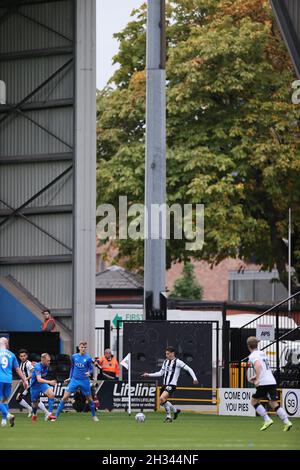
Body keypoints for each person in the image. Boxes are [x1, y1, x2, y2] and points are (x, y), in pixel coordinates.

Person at [247, 336, 293, 431]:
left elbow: (258, 365)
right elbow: (263, 367)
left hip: (264, 382)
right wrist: (256, 376)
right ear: (257, 344)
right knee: (273, 403)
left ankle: (267, 419)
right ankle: (287, 422)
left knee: (254, 401)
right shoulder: (262, 353)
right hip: (271, 380)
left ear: (248, 346)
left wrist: (258, 379)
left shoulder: (252, 356)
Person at [141, 346, 199, 422]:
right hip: (165, 385)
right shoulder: (165, 362)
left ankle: (168, 417)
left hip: (172, 385)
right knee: (162, 401)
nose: (166, 355)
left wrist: (195, 379)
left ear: (172, 353)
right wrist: (148, 374)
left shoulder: (178, 362)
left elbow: (189, 369)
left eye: (168, 354)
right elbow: (160, 373)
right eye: (166, 354)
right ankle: (175, 410)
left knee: (162, 398)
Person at [55, 341, 99, 422]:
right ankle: (56, 416)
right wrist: (70, 378)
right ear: (79, 348)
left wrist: (89, 372)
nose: (83, 349)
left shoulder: (88, 358)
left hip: (84, 381)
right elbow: (72, 368)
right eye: (82, 347)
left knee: (89, 399)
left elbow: (91, 369)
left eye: (85, 347)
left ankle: (94, 416)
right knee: (64, 397)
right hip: (74, 380)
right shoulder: (74, 356)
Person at [0, 337, 28, 427]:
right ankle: (4, 421)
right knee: (4, 400)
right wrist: (24, 380)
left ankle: (8, 415)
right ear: (6, 344)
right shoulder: (11, 354)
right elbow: (17, 369)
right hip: (8, 380)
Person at [16, 349, 51, 420]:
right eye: (21, 356)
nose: (23, 357)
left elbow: (33, 373)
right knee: (21, 398)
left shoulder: (28, 364)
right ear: (19, 357)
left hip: (30, 384)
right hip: (25, 383)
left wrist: (25, 379)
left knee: (35, 400)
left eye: (24, 356)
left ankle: (45, 412)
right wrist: (22, 380)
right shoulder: (21, 364)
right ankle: (32, 409)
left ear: (27, 356)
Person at [30, 353, 57, 422]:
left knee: (52, 395)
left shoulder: (45, 365)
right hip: (34, 386)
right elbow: (38, 379)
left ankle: (49, 414)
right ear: (43, 360)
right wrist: (50, 382)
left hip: (42, 384)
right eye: (48, 361)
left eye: (49, 360)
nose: (49, 362)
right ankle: (34, 414)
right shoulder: (38, 367)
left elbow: (40, 380)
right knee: (35, 404)